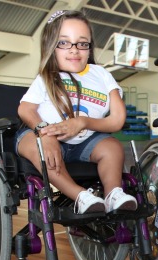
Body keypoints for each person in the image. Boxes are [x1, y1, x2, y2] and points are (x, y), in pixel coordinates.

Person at [16, 10, 136, 215]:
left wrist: (83, 122)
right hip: (46, 136)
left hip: (86, 141)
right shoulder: (46, 77)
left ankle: (113, 193)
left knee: (113, 147)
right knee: (42, 150)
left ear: (90, 48)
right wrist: (44, 134)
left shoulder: (102, 75)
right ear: (51, 46)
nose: (74, 50)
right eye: (64, 43)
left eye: (82, 43)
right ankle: (81, 196)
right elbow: (25, 109)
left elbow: (117, 119)